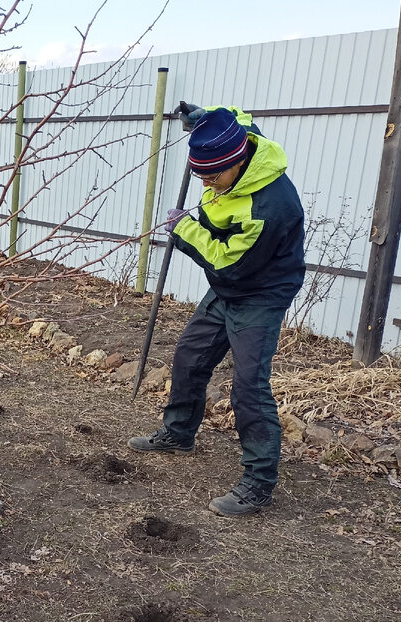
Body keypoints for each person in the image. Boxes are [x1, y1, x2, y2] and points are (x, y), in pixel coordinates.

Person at [127, 105, 305, 517]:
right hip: (228, 287)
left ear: (239, 161)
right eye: (200, 174)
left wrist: (184, 228)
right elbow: (237, 117)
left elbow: (228, 262)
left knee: (248, 386)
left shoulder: (269, 207)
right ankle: (179, 432)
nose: (206, 182)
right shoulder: (236, 138)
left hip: (259, 290)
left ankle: (258, 484)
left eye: (213, 176)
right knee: (190, 356)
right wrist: (202, 118)